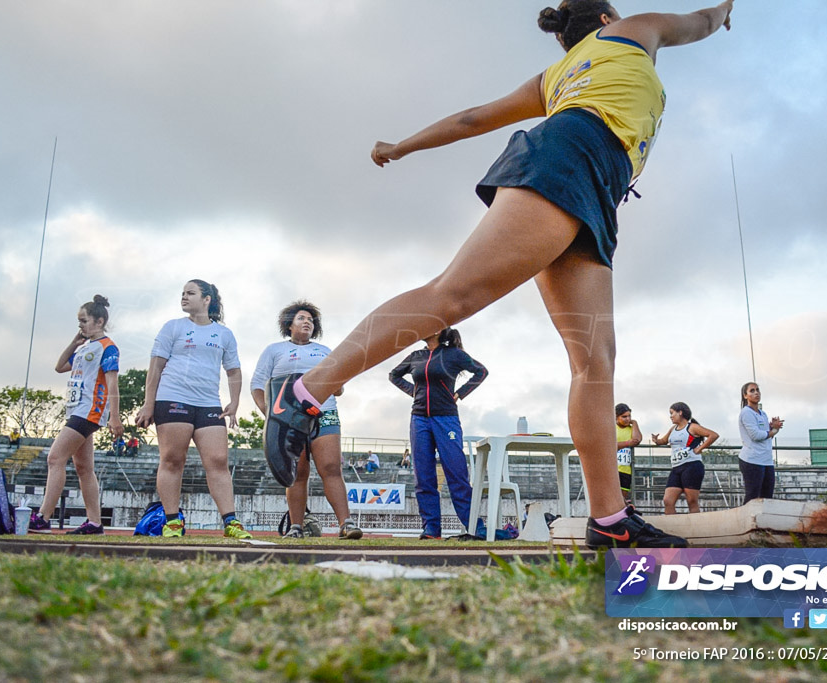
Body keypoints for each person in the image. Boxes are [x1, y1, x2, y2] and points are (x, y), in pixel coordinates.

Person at [267, 0, 735, 549]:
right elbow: (698, 23)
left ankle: (609, 519)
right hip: (573, 155)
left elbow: (471, 119)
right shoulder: (633, 32)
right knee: (453, 296)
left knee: (595, 359)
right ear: (607, 19)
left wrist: (402, 146)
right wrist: (725, 8)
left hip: (596, 185)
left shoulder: (556, 74)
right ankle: (305, 393)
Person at [134, 280, 252, 539]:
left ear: (207, 299)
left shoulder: (224, 334)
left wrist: (234, 401)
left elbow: (233, 369)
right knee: (173, 460)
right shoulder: (173, 327)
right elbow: (155, 367)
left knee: (218, 461)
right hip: (173, 398)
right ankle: (172, 521)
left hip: (209, 403)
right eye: (183, 293)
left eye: (191, 293)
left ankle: (231, 522)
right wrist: (148, 403)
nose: (184, 297)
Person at [251, 300, 362, 540]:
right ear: (289, 324)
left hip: (324, 413)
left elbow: (339, 389)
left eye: (311, 320)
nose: (307, 322)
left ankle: (346, 524)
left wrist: (331, 381)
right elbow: (257, 385)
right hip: (289, 418)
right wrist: (271, 416)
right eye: (302, 318)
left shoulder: (324, 351)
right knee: (297, 472)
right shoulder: (274, 350)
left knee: (331, 468)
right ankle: (296, 527)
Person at [29, 295, 122, 535]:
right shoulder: (84, 348)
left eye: (84, 321)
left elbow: (113, 383)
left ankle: (43, 517)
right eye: (79, 321)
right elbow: (60, 367)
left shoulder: (107, 347)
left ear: (99, 321)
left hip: (90, 410)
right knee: (83, 468)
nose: (80, 325)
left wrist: (115, 417)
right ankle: (95, 523)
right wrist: (74, 343)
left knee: (55, 458)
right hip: (77, 408)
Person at [389, 327, 488, 539]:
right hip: (418, 420)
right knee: (423, 477)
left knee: (456, 473)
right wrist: (412, 391)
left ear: (436, 328)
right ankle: (431, 529)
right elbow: (394, 375)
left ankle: (474, 527)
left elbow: (481, 371)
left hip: (446, 419)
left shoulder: (453, 354)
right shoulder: (416, 356)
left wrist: (461, 393)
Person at [651, 402, 719, 515]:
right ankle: (672, 528)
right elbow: (664, 441)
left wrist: (700, 448)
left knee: (691, 501)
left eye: (672, 413)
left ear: (680, 412)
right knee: (668, 500)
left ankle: (695, 529)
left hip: (692, 466)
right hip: (676, 467)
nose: (670, 416)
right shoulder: (673, 428)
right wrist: (656, 440)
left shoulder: (692, 427)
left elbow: (713, 435)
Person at [737, 382, 784, 504]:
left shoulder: (763, 414)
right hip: (752, 460)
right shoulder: (746, 412)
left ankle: (762, 522)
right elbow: (756, 435)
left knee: (767, 497)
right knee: (752, 496)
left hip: (766, 460)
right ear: (745, 395)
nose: (756, 393)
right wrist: (772, 431)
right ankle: (746, 521)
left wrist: (774, 428)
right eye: (752, 391)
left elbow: (766, 436)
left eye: (757, 390)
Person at [615, 403, 641, 500]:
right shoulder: (611, 428)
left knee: (623, 498)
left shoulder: (631, 429)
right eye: (624, 416)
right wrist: (627, 443)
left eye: (629, 416)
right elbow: (608, 445)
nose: (627, 419)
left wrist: (634, 423)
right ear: (616, 417)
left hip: (625, 470)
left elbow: (637, 440)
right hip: (613, 469)